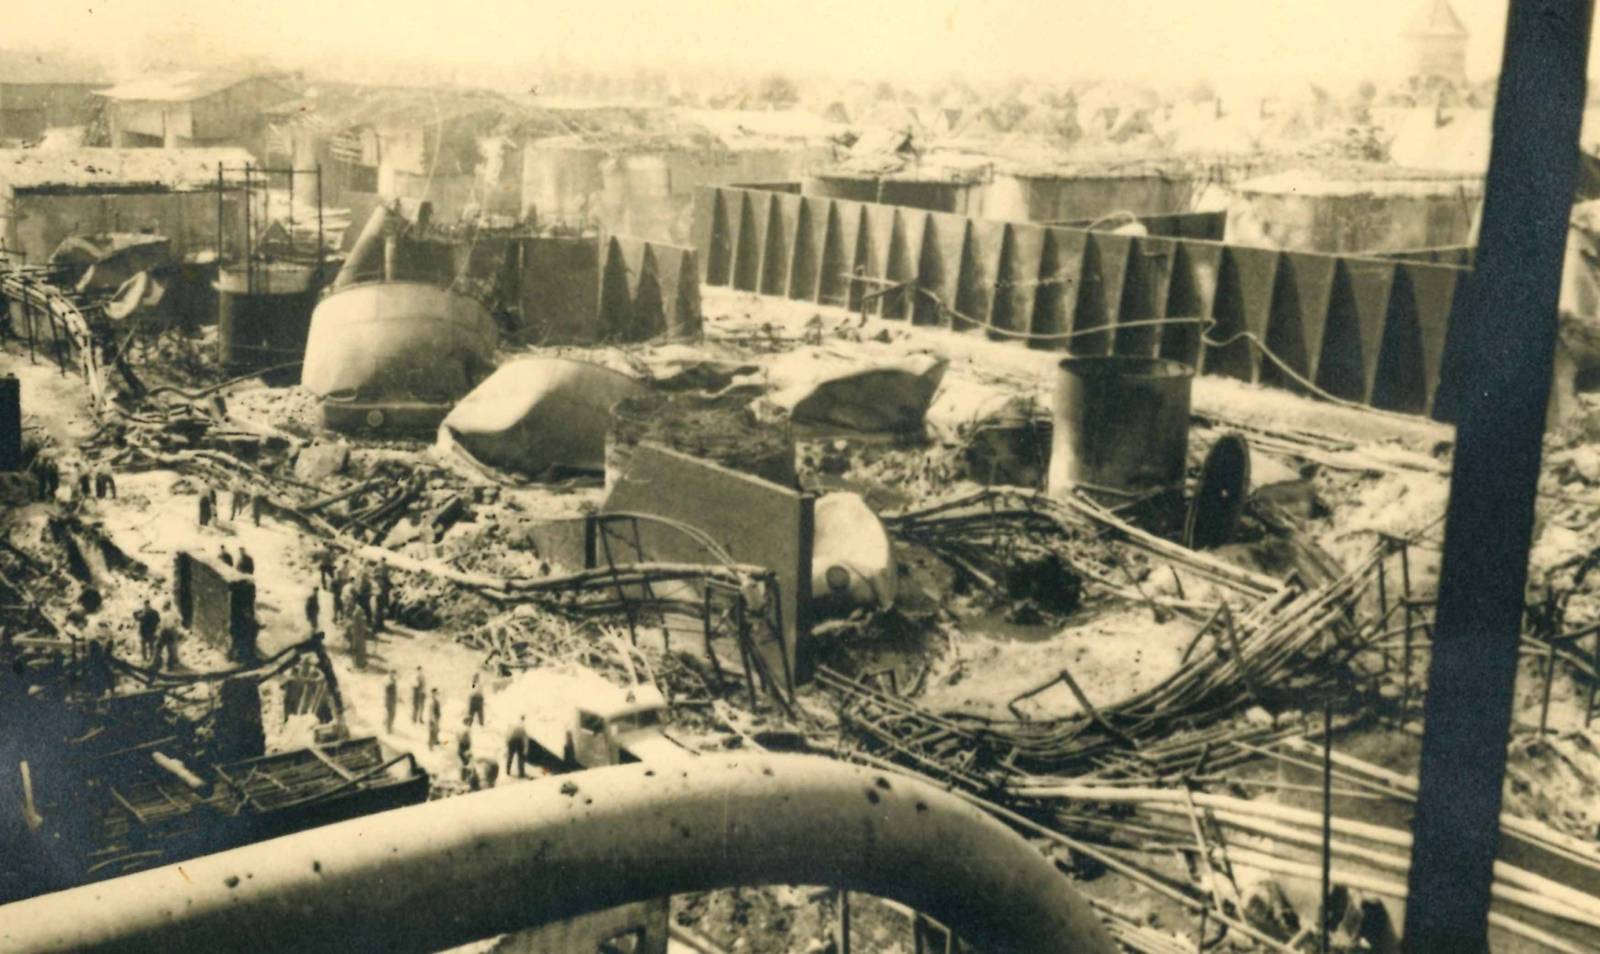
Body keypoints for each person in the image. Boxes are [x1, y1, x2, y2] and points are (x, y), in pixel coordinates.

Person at [133, 599, 159, 663]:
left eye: (147, 605)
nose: (146, 606)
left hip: (148, 632)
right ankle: (148, 659)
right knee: (148, 646)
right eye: (146, 605)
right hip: (147, 632)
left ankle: (147, 659)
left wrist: (140, 612)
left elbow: (137, 617)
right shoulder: (153, 612)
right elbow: (158, 620)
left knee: (148, 646)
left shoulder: (147, 613)